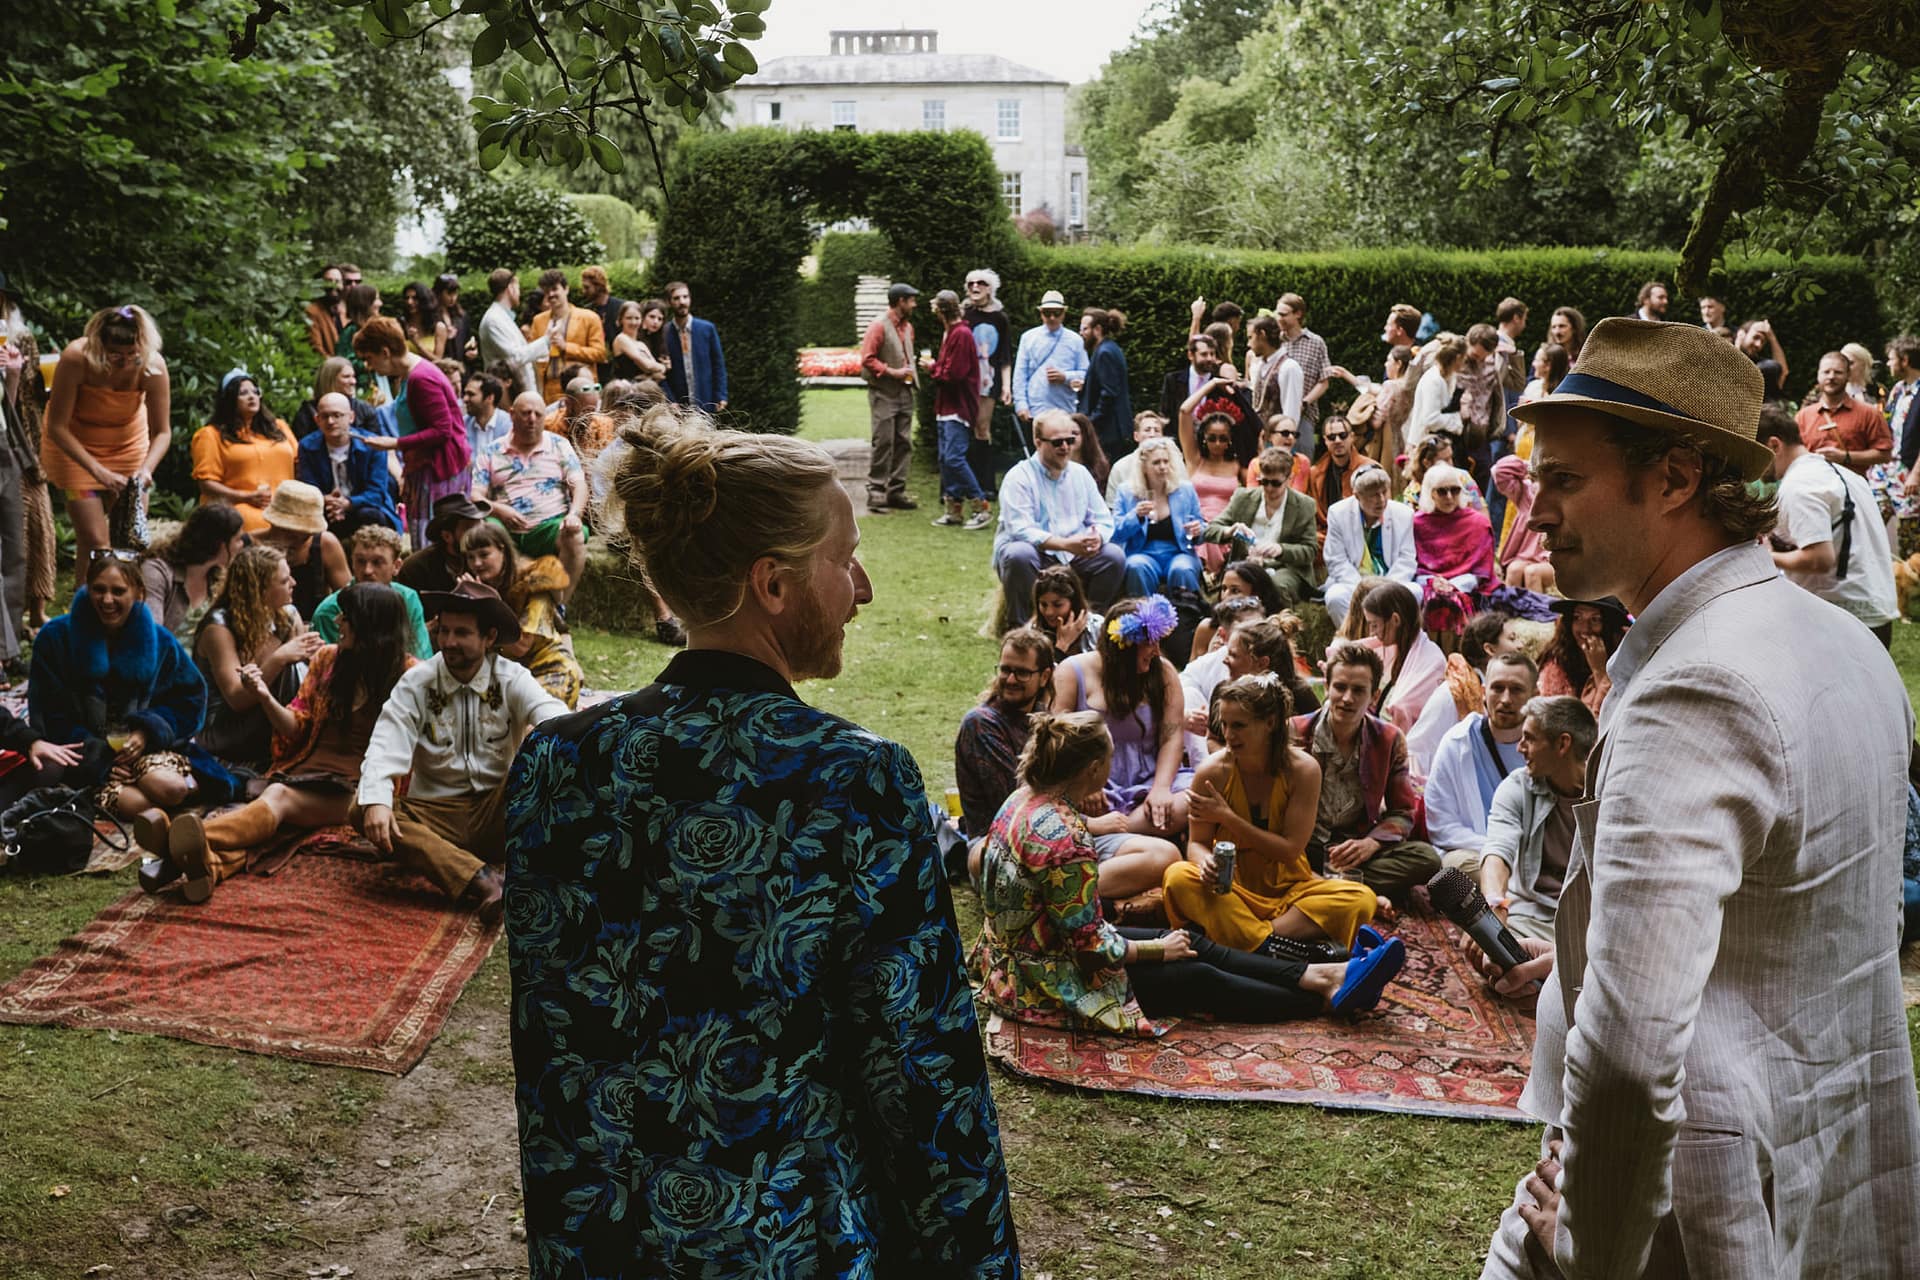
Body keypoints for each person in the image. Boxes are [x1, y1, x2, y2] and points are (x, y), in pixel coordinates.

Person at [502, 409, 1016, 1272]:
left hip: (607, 1245)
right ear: (773, 584)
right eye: (845, 559)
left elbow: (550, 1064)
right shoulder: (856, 780)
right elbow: (924, 1077)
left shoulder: (555, 763)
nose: (863, 588)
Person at [1480, 316, 1920, 1279]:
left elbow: (1633, 1051)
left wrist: (1589, 1247)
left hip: (1686, 1207)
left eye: (1565, 480)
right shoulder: (1851, 647)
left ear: (1676, 478)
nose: (1535, 512)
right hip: (1819, 1160)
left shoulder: (1698, 685)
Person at [976, 709, 1405, 1037]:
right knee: (1197, 976)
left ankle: (1320, 974)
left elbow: (1083, 932)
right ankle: (1322, 999)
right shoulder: (1064, 839)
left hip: (1045, 948)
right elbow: (1090, 950)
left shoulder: (1023, 798)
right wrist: (1156, 950)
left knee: (1192, 944)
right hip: (1045, 978)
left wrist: (1163, 944)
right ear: (1092, 770)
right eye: (1109, 757)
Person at [139, 584, 416, 899]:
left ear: (369, 624)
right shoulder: (328, 660)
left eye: (346, 615)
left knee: (278, 798)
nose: (337, 620)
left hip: (358, 792)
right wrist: (264, 697)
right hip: (306, 775)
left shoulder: (409, 675)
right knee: (274, 826)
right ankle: (209, 866)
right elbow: (295, 728)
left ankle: (173, 843)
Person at [359, 580, 565, 919]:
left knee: (549, 754)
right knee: (364, 804)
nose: (449, 642)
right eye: (444, 631)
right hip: (437, 818)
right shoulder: (417, 682)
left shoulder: (512, 678)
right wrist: (377, 802)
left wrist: (544, 741)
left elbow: (554, 716)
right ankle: (482, 880)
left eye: (462, 633)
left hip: (499, 814)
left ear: (489, 637)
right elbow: (385, 743)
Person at [1164, 673, 1383, 962]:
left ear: (1269, 723)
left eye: (1239, 726)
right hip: (1231, 889)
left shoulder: (1303, 769)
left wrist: (1228, 818)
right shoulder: (1212, 772)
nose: (1228, 735)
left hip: (1290, 888)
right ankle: (1275, 948)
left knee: (1361, 898)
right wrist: (1205, 864)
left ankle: (1248, 941)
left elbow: (1290, 850)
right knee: (1178, 876)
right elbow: (1197, 843)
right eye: (1224, 724)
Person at [30, 551, 210, 824]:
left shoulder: (159, 641)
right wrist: (101, 758)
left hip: (144, 748)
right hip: (84, 756)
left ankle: (171, 792)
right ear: (87, 589)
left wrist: (147, 732)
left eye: (118, 591)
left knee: (172, 789)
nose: (107, 600)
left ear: (138, 593)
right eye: (98, 590)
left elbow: (191, 698)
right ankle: (164, 815)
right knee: (142, 807)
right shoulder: (55, 638)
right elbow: (49, 714)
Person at [1293, 642, 1441, 903]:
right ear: (1327, 687)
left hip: (1355, 847)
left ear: (1374, 696)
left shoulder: (1390, 739)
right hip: (1303, 845)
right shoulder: (1296, 732)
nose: (1347, 698)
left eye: (1358, 690)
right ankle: (1346, 886)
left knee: (1427, 859)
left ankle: (1327, 884)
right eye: (1340, 687)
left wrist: (1370, 844)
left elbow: (1403, 811)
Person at [180, 544, 319, 797]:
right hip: (224, 729)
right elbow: (237, 699)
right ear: (260, 590)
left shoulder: (287, 616)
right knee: (289, 667)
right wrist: (279, 658)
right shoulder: (219, 628)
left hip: (271, 721)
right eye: (284, 580)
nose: (294, 584)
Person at [1760, 401, 1899, 647]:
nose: (1755, 469)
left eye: (1756, 455)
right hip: (1874, 610)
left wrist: (1768, 556)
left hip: (1840, 620)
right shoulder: (1843, 473)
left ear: (1774, 445)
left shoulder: (1799, 486)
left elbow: (1819, 559)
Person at [41, 305, 171, 568]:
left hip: (128, 447)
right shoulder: (76, 358)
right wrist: (99, 472)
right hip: (75, 449)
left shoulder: (153, 366)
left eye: (132, 354)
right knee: (94, 541)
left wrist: (146, 470)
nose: (124, 361)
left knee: (128, 541)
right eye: (115, 354)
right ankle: (86, 594)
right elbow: (57, 426)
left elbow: (162, 432)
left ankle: (115, 594)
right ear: (99, 345)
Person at [1053, 596, 1191, 841]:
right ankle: (1105, 829)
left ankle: (1111, 830)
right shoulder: (1072, 671)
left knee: (1192, 799)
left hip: (1150, 779)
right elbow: (1058, 734)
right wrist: (1083, 781)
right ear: (1124, 646)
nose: (1156, 651)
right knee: (1053, 804)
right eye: (1148, 643)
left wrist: (1160, 789)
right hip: (1093, 782)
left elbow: (1172, 736)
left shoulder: (1164, 672)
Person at [1472, 694, 1592, 945]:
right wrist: (1494, 905)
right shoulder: (1517, 786)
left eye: (1529, 738)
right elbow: (1497, 850)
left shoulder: (1607, 795)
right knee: (1490, 948)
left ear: (1562, 744)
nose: (1520, 747)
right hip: (1532, 915)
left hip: (1591, 921)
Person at [993, 410, 1125, 627]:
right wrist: (1065, 544)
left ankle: (1088, 624)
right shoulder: (1018, 477)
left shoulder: (1081, 474)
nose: (1065, 447)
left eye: (1070, 440)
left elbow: (1103, 519)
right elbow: (1020, 529)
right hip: (1038, 553)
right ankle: (1024, 629)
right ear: (1038, 442)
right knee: (1018, 554)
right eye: (1057, 442)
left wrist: (1097, 538)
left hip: (1076, 553)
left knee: (1113, 556)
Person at [352, 316, 472, 551]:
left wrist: (394, 443)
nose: (368, 366)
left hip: (440, 470)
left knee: (435, 545)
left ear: (385, 352)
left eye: (369, 358)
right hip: (427, 468)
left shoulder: (421, 378)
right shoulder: (411, 375)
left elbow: (442, 430)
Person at [473, 391, 594, 611]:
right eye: (526, 413)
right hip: (505, 528)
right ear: (512, 414)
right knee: (482, 529)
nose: (532, 419)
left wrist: (574, 514)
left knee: (575, 534)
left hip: (548, 527)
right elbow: (475, 496)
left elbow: (579, 484)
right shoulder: (491, 451)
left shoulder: (559, 445)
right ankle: (496, 604)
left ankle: (559, 607)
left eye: (538, 414)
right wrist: (499, 510)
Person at [1421, 653, 1537, 868]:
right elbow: (1442, 826)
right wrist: (1498, 850)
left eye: (1516, 690)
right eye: (1498, 688)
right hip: (1478, 853)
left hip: (1534, 858)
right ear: (1484, 692)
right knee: (1456, 865)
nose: (1505, 699)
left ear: (1535, 695)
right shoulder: (1457, 742)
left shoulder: (1547, 748)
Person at [459, 521, 583, 707]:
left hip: (549, 672)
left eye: (484, 555)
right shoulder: (478, 586)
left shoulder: (534, 584)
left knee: (529, 718)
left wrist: (488, 603)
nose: (476, 563)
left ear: (502, 550)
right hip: (505, 677)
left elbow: (520, 646)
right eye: (470, 557)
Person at [955, 627, 1056, 841]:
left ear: (1044, 676)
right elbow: (1015, 802)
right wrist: (1087, 822)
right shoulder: (981, 725)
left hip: (1050, 832)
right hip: (1000, 843)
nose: (1010, 680)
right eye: (1005, 670)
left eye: (1022, 673)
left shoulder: (1042, 716)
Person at [1, 272, 57, 640]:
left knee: (37, 523)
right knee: (12, 530)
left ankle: (35, 610)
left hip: (24, 441)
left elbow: (36, 393)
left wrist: (25, 375)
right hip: (5, 442)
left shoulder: (20, 338)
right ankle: (11, 618)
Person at [1404, 608, 1523, 776]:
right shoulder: (1453, 693)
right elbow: (1418, 750)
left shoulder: (1504, 691)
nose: (1520, 646)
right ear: (1490, 649)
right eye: (1512, 639)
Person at [1203, 447, 1318, 605]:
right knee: (1234, 588)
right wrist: (1230, 531)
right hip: (1246, 565)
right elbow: (1210, 530)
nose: (1269, 488)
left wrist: (1281, 550)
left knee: (1276, 587)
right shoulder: (1243, 497)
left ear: (1289, 479)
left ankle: (1278, 620)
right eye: (1264, 482)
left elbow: (1310, 550)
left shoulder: (1304, 505)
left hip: (1284, 567)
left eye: (1275, 483)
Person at [310, 524, 432, 660]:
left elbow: (421, 656)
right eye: (360, 561)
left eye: (377, 562)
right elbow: (329, 664)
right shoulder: (331, 610)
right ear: (352, 563)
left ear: (396, 566)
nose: (367, 571)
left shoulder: (407, 598)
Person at [924, 289, 990, 529]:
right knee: (945, 459)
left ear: (940, 311)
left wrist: (932, 368)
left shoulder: (961, 334)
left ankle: (981, 506)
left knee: (954, 458)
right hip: (946, 406)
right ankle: (954, 510)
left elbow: (955, 374)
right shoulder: (952, 333)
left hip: (958, 406)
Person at [295, 392, 401, 541]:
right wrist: (328, 501)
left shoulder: (371, 445)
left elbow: (377, 492)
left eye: (337, 415)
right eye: (325, 416)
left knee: (369, 515)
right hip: (326, 508)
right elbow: (309, 487)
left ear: (351, 417)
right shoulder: (307, 446)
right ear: (317, 420)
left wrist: (348, 503)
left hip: (363, 506)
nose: (330, 421)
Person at [1112, 437, 1205, 600]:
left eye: (1166, 461)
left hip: (1179, 552)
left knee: (1182, 569)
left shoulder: (1185, 490)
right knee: (1136, 566)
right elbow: (1115, 534)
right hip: (1142, 553)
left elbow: (1201, 526)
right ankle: (1144, 613)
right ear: (1144, 467)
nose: (1163, 467)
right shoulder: (1126, 492)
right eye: (1156, 463)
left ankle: (1188, 612)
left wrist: (1198, 531)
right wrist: (1135, 516)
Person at [140, 501, 247, 643]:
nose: (242, 545)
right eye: (238, 540)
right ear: (221, 545)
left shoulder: (218, 578)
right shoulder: (157, 572)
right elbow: (151, 634)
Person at [1323, 465, 1416, 627]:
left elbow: (1407, 559)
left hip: (1391, 581)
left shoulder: (1404, 513)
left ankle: (1394, 639)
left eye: (1384, 492)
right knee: (1335, 597)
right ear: (1357, 496)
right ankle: (1355, 638)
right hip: (1353, 581)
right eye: (1373, 495)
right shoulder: (1338, 513)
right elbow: (1335, 559)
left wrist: (1386, 590)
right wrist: (1362, 589)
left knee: (1415, 592)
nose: (1381, 500)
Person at [860, 281, 920, 513]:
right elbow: (867, 358)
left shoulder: (908, 327)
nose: (914, 305)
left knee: (904, 442)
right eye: (911, 300)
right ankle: (876, 491)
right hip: (883, 392)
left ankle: (896, 492)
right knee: (884, 441)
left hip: (905, 392)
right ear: (900, 301)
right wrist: (892, 372)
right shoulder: (878, 326)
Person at [1413, 463, 1495, 632]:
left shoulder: (1477, 523)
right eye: (1442, 491)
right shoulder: (1416, 524)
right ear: (1430, 493)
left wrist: (1454, 585)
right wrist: (1432, 581)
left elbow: (1482, 570)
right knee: (1431, 601)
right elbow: (1411, 562)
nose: (1449, 497)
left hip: (1467, 584)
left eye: (1455, 490)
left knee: (1452, 601)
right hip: (1428, 582)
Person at [253, 480, 350, 621]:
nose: (296, 542)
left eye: (304, 536)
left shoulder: (325, 544)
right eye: (290, 535)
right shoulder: (249, 545)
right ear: (274, 524)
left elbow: (349, 600)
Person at [1176, 404, 1249, 576]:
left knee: (1212, 533)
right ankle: (1208, 574)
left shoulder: (1237, 465)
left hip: (1225, 524)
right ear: (1204, 438)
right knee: (1204, 532)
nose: (1217, 443)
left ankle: (1211, 574)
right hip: (1197, 521)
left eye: (1223, 439)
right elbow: (1184, 412)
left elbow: (1254, 492)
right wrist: (1209, 387)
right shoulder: (1195, 460)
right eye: (1212, 438)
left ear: (1230, 440)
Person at [1797, 348, 1893, 476]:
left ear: (1848, 375)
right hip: (1812, 484)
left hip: (1854, 486)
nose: (1831, 377)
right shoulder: (1803, 416)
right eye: (1826, 372)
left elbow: (1884, 455)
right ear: (1818, 375)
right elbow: (1792, 452)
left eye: (1838, 372)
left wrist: (1846, 457)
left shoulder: (1869, 414)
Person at [1536, 595, 1628, 716]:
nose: (1585, 628)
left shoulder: (1626, 654)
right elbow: (1555, 716)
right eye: (1577, 617)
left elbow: (1616, 713)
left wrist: (1600, 671)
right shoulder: (1558, 658)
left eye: (1595, 619)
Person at [525, 269, 607, 405]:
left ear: (566, 289)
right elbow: (531, 356)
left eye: (554, 289)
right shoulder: (538, 321)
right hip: (548, 389)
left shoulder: (589, 317)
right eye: (546, 291)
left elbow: (600, 354)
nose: (551, 294)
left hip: (580, 388)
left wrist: (566, 347)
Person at [397, 493, 491, 595]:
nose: (477, 534)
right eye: (469, 528)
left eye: (479, 526)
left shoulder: (489, 560)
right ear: (447, 536)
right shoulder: (416, 568)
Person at [475, 269, 550, 397]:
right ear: (511, 288)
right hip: (509, 394)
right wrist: (547, 341)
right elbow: (515, 357)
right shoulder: (493, 319)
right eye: (518, 288)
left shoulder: (502, 316)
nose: (520, 293)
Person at [1272, 292, 1331, 442]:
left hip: (1304, 416)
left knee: (1302, 455)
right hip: (1275, 416)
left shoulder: (1315, 342)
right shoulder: (1274, 342)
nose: (1279, 318)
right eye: (1277, 314)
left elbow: (1324, 382)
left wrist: (1304, 402)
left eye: (1284, 314)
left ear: (1298, 314)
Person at [661, 280, 728, 413]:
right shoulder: (664, 333)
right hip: (678, 407)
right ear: (669, 302)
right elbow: (661, 374)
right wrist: (670, 400)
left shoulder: (707, 329)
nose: (682, 302)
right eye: (676, 298)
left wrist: (721, 395)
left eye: (685, 297)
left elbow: (718, 365)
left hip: (706, 401)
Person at [1492, 454, 1555, 593]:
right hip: (1526, 554)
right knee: (1514, 570)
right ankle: (1507, 607)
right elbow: (1500, 472)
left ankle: (1538, 607)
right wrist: (1528, 467)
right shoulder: (1524, 491)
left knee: (1532, 573)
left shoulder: (1560, 494)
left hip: (1549, 556)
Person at [1308, 414, 1377, 538]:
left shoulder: (1370, 469)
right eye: (1332, 437)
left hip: (1361, 533)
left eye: (1343, 435)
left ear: (1352, 437)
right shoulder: (1315, 473)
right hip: (1326, 535)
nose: (1338, 441)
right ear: (1325, 440)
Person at [1078, 306, 1132, 459]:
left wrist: (1091, 421)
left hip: (1109, 431)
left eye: (1085, 329)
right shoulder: (1109, 348)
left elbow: (1109, 393)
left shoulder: (1104, 353)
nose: (1081, 333)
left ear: (1098, 329)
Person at [291, 356, 386, 443]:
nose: (353, 381)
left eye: (353, 376)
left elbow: (377, 445)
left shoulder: (365, 410)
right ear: (330, 379)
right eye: (346, 377)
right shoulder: (307, 413)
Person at [1105, 411, 1186, 507]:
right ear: (1136, 436)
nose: (1152, 434)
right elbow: (1113, 507)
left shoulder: (1176, 463)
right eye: (1147, 430)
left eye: (1157, 430)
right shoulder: (1120, 467)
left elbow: (1185, 496)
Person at [1406, 333, 1467, 455]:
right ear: (1458, 357)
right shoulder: (1433, 380)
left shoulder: (1450, 377)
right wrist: (1457, 420)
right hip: (1423, 446)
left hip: (1436, 445)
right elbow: (1430, 419)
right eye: (1464, 358)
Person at [1032, 563, 1103, 663]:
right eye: (1043, 605)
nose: (1049, 612)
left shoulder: (1098, 627)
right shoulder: (1033, 635)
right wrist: (1062, 645)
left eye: (1057, 605)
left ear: (1073, 603)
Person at [1246, 315, 1304, 428]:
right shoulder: (1261, 365)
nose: (1248, 344)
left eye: (1250, 337)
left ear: (1262, 335)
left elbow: (1291, 413)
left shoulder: (1289, 367)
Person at [605, 297, 668, 389]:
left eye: (637, 318)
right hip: (626, 390)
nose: (633, 322)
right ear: (621, 319)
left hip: (644, 389)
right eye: (629, 318)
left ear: (641, 320)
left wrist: (655, 371)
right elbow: (647, 365)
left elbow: (659, 372)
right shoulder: (621, 339)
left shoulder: (641, 344)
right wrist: (662, 367)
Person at [576, 266, 624, 381]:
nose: (584, 291)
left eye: (587, 287)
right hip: (596, 368)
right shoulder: (586, 311)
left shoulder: (620, 307)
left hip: (619, 368)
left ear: (598, 285)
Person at [1245, 416, 1310, 490]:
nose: (1291, 437)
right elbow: (1252, 494)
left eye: (1295, 434)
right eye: (1285, 433)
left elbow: (1298, 493)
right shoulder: (1255, 464)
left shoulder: (1302, 461)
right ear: (1270, 436)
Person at [461, 371, 510, 465]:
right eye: (465, 394)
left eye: (471, 394)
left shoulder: (508, 425)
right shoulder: (463, 425)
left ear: (490, 398)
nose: (465, 399)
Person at [1735, 317, 1789, 400]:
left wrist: (1772, 338)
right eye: (1756, 337)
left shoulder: (1763, 366)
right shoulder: (1722, 357)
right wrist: (1737, 345)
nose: (1758, 344)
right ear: (1741, 334)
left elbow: (1782, 373)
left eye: (1763, 342)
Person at [399, 281, 450, 360]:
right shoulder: (401, 324)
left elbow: (438, 361)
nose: (409, 302)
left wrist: (417, 344)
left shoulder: (439, 327)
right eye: (407, 298)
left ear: (424, 300)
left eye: (415, 298)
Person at [433, 274, 472, 372]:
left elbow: (467, 342)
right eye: (449, 293)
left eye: (455, 293)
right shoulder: (432, 317)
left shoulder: (461, 317)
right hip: (441, 369)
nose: (453, 298)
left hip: (461, 371)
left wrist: (472, 352)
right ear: (439, 293)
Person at [306, 265, 345, 359]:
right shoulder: (312, 312)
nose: (333, 285)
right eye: (329, 281)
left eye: (337, 281)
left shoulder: (345, 310)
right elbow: (316, 348)